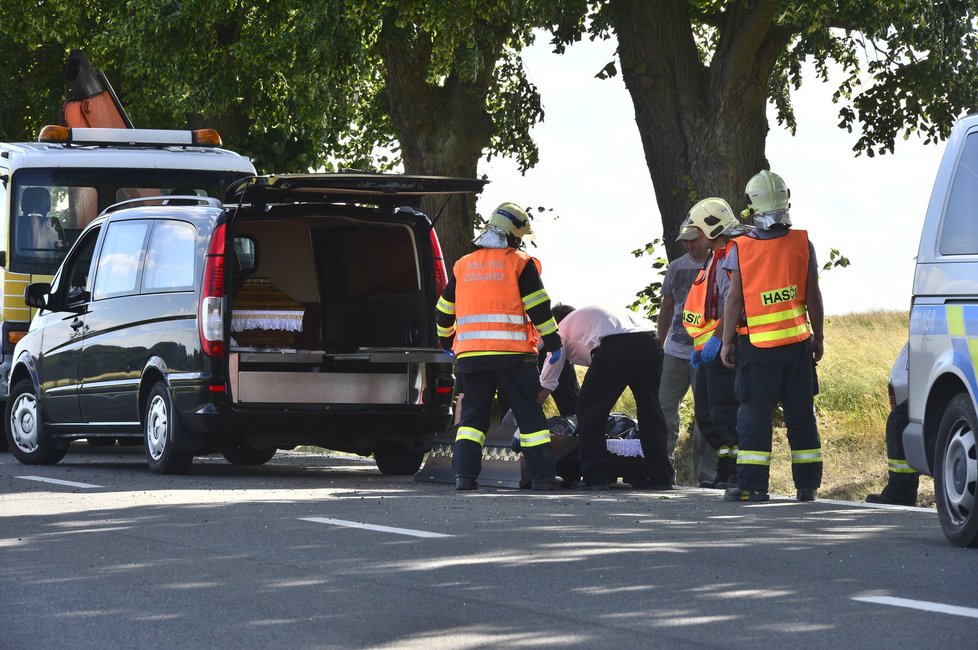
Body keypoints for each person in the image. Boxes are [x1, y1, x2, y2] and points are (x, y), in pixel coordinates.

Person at [436, 202, 563, 491]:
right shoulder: (519, 262)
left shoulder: (463, 265)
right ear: (515, 234)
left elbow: (443, 311)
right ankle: (543, 477)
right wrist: (553, 342)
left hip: (471, 357)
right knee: (528, 415)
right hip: (513, 357)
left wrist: (447, 342)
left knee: (471, 419)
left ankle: (464, 477)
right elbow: (538, 308)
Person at [720, 170, 824, 502]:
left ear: (752, 204)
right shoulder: (802, 242)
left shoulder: (741, 247)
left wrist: (725, 342)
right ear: (785, 198)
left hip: (758, 347)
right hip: (797, 345)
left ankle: (752, 486)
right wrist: (818, 338)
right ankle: (807, 486)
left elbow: (734, 298)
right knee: (801, 414)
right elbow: (813, 295)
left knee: (754, 414)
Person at [538, 304, 674, 490]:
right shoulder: (593, 317)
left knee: (589, 410)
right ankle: (661, 477)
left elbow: (547, 382)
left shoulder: (559, 330)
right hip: (651, 341)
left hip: (616, 346)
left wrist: (524, 411)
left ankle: (595, 476)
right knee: (650, 410)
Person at [680, 198, 751, 490]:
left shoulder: (728, 255)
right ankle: (725, 468)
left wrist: (722, 340)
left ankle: (734, 471)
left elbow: (732, 302)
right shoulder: (717, 255)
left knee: (724, 412)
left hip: (723, 346)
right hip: (708, 347)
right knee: (709, 416)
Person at [657, 227, 714, 485]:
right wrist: (660, 344)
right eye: (685, 242)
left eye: (693, 240)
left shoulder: (720, 264)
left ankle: (708, 475)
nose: (689, 246)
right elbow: (667, 305)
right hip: (675, 349)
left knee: (706, 414)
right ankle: (661, 471)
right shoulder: (675, 267)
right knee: (663, 411)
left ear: (705, 238)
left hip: (706, 351)